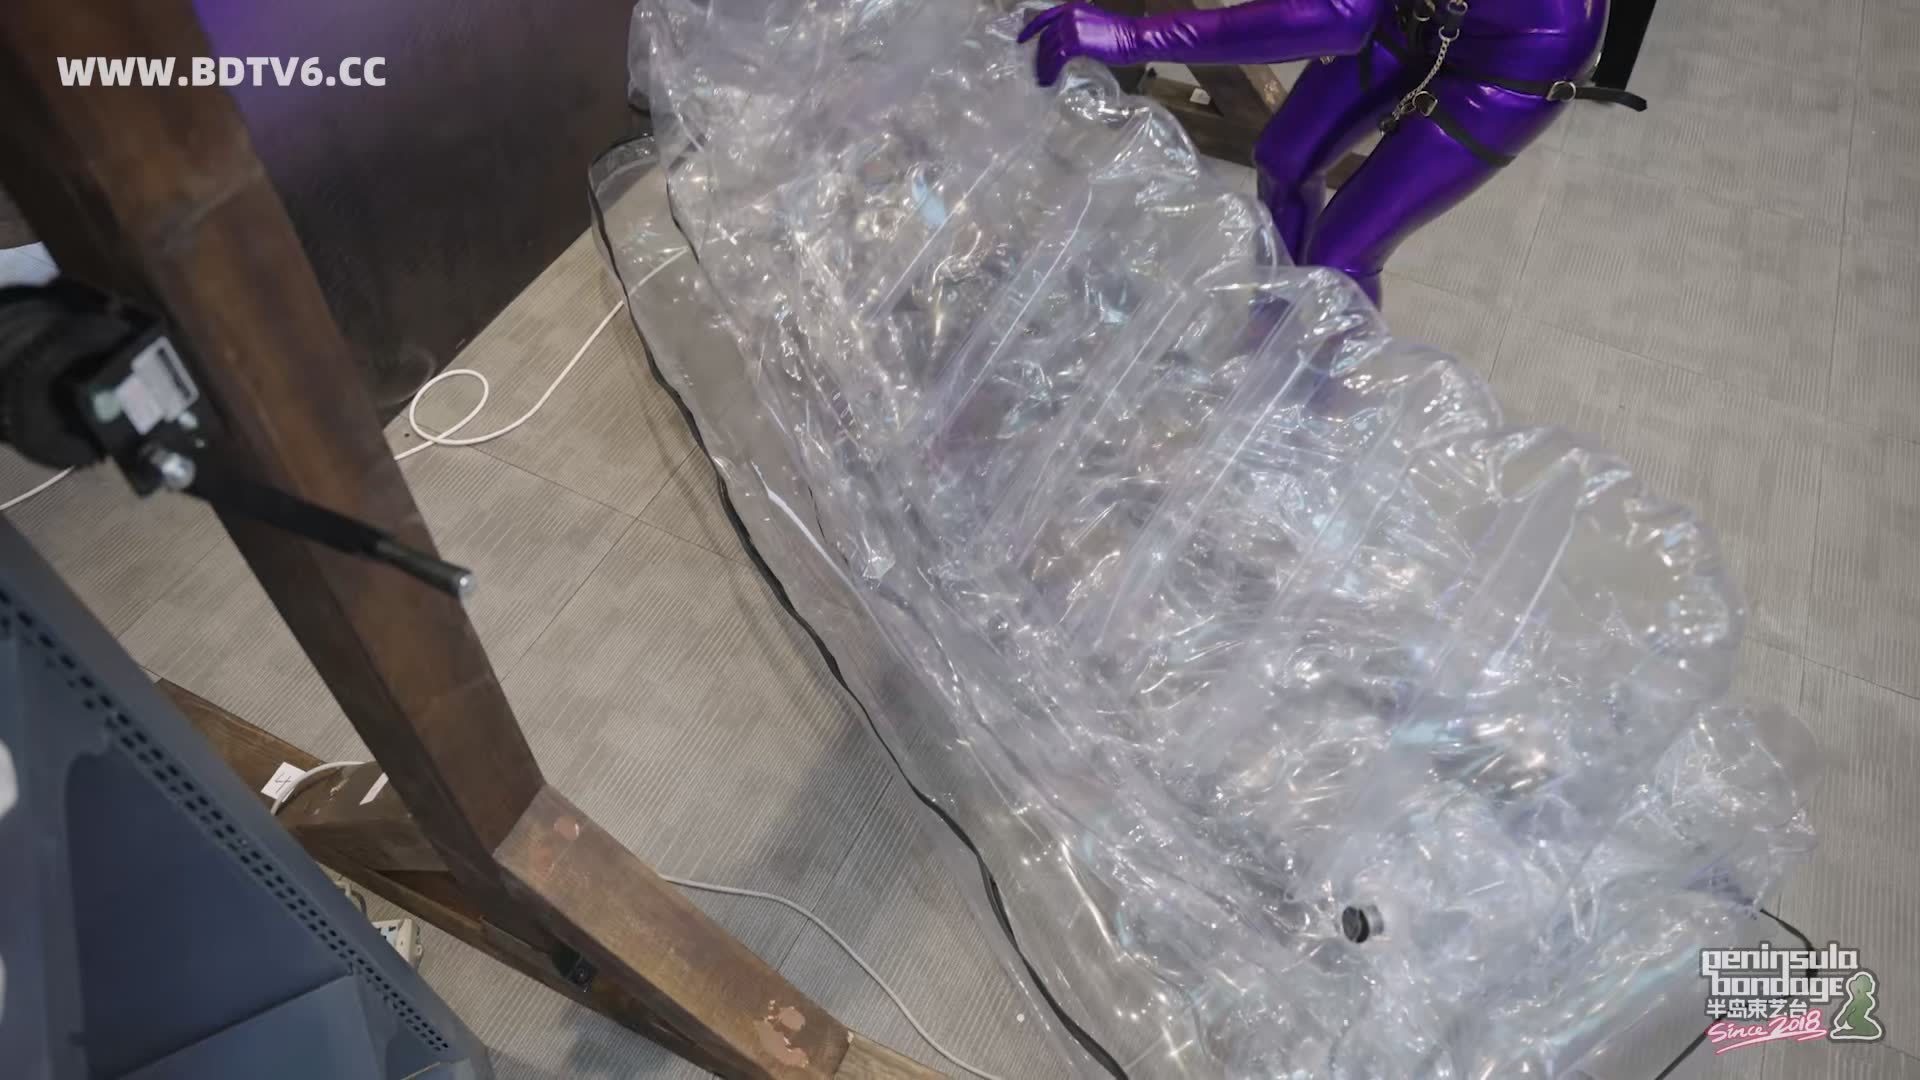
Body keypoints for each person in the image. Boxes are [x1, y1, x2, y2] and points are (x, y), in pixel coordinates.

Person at [1018, 0, 1643, 303]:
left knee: (1343, 254)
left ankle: (1322, 417)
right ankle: (1277, 318)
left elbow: (1333, 18)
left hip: (1520, 58)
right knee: (1284, 158)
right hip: (1415, 12)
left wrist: (1133, 35)